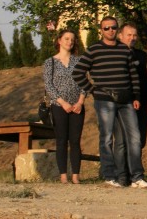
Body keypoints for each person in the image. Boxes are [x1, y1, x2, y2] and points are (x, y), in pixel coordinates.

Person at [73, 16, 147, 188]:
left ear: (117, 29)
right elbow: (78, 72)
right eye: (106, 28)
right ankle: (110, 175)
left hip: (127, 99)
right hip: (105, 100)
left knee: (135, 137)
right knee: (107, 138)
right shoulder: (94, 49)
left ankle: (137, 177)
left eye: (113, 27)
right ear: (101, 30)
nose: (110, 31)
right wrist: (93, 89)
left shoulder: (124, 50)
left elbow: (133, 75)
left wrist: (136, 96)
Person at [44, 29, 85, 184]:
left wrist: (80, 102)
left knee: (75, 141)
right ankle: (63, 176)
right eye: (66, 39)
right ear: (59, 40)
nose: (69, 42)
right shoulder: (50, 62)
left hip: (77, 106)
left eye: (72, 40)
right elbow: (49, 85)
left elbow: (84, 83)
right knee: (61, 140)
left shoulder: (79, 61)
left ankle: (76, 175)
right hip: (59, 106)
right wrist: (63, 102)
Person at [112, 23, 147, 186]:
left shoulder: (142, 56)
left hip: (139, 104)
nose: (132, 38)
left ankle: (134, 175)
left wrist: (143, 100)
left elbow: (146, 81)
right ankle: (122, 175)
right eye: (129, 35)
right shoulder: (113, 54)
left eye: (134, 35)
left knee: (138, 140)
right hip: (120, 104)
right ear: (120, 36)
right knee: (121, 141)